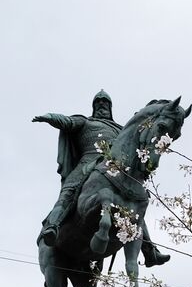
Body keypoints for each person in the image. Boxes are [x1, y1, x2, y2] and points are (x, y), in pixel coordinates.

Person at [32, 89, 169, 265]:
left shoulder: (121, 129)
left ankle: (149, 250)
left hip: (116, 168)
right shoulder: (85, 122)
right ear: (94, 106)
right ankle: (53, 226)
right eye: (98, 103)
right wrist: (50, 116)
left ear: (110, 107)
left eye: (105, 103)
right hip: (86, 165)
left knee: (135, 204)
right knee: (68, 192)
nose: (102, 105)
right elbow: (66, 122)